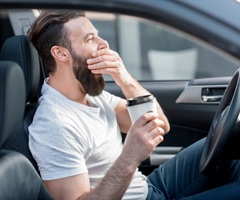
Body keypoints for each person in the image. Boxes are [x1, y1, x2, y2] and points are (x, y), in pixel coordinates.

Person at [28, 10, 240, 200]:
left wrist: (124, 79)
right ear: (61, 53)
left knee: (230, 149)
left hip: (148, 187)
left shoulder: (92, 95)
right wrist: (129, 158)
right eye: (90, 39)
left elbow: (158, 124)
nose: (104, 44)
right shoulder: (54, 124)